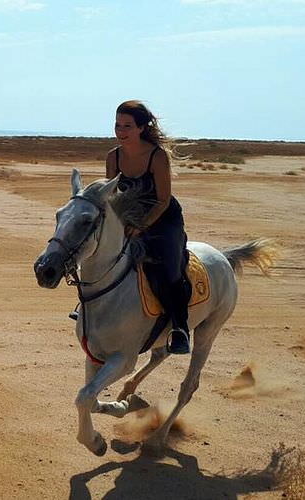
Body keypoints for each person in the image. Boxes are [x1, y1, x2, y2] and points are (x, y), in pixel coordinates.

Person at [105, 100, 192, 354]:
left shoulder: (157, 156)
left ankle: (180, 328)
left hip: (164, 219)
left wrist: (141, 227)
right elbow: (111, 195)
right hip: (129, 217)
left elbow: (163, 200)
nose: (121, 131)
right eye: (118, 125)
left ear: (141, 128)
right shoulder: (114, 156)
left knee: (168, 267)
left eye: (127, 126)